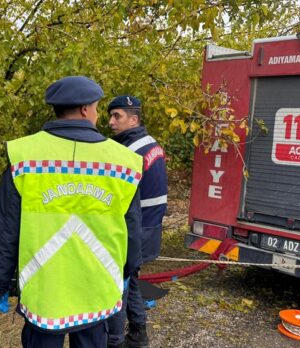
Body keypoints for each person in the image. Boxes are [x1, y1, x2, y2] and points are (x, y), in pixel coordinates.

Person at [0, 76, 143, 348]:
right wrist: (128, 269)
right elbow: (132, 229)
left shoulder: (24, 156)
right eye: (96, 108)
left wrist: (0, 282)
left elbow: (5, 228)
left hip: (45, 292)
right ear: (85, 109)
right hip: (97, 289)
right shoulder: (125, 163)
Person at [106, 95, 168, 348]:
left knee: (117, 287)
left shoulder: (127, 151)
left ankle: (115, 340)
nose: (111, 122)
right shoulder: (152, 144)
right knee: (130, 281)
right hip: (149, 228)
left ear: (134, 118)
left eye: (117, 116)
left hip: (133, 230)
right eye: (110, 115)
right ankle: (139, 333)